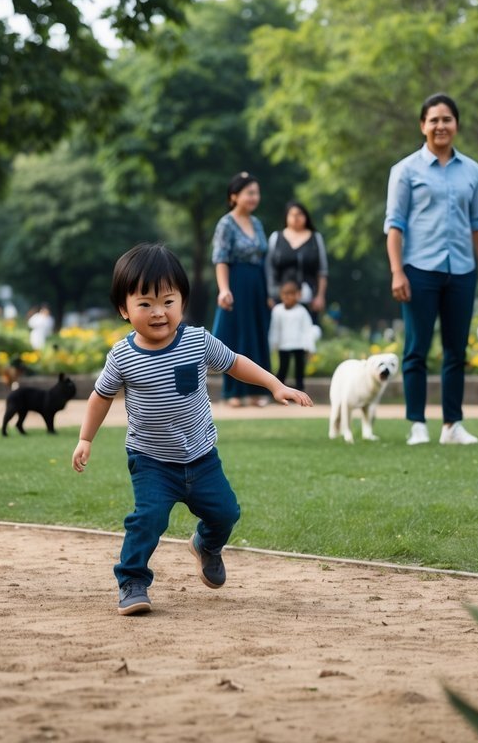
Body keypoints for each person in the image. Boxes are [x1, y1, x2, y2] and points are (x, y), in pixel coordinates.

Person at [72, 243, 312, 616]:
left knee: (226, 514)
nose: (158, 313)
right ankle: (133, 581)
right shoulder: (122, 356)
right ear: (124, 308)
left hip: (201, 457)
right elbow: (100, 397)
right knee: (147, 520)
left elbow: (235, 363)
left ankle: (206, 545)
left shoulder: (197, 341)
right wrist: (86, 438)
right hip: (151, 461)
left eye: (168, 301)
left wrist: (275, 385)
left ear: (182, 301)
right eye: (145, 303)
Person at [385, 93, 478, 445]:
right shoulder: (405, 170)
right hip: (418, 270)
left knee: (455, 350)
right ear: (423, 125)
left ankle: (452, 425)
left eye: (447, 119)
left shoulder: (472, 171)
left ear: (456, 125)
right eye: (434, 120)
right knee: (416, 349)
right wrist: (397, 271)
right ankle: (417, 423)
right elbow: (395, 225)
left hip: (461, 271)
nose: (441, 126)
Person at [212, 172, 272, 407]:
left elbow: (264, 258)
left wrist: (269, 293)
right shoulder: (226, 223)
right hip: (236, 282)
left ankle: (258, 391)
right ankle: (233, 392)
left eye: (256, 193)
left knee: (257, 335)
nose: (254, 197)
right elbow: (221, 259)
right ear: (234, 196)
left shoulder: (257, 223)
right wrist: (224, 289)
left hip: (258, 284)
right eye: (249, 193)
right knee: (236, 336)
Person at [266, 201, 328, 323]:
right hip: (281, 298)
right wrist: (270, 295)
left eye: (299, 214)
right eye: (292, 214)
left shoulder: (315, 238)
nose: (295, 218)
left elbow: (322, 271)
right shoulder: (276, 238)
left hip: (309, 298)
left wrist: (320, 296)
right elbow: (269, 269)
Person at [269, 278, 317, 391]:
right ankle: (278, 389)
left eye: (291, 294)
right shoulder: (277, 310)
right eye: (285, 294)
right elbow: (275, 329)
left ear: (298, 295)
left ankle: (300, 391)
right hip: (283, 346)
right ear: (281, 295)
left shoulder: (302, 311)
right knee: (283, 368)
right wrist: (273, 344)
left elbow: (308, 330)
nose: (287, 297)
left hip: (299, 346)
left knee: (299, 370)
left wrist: (310, 347)